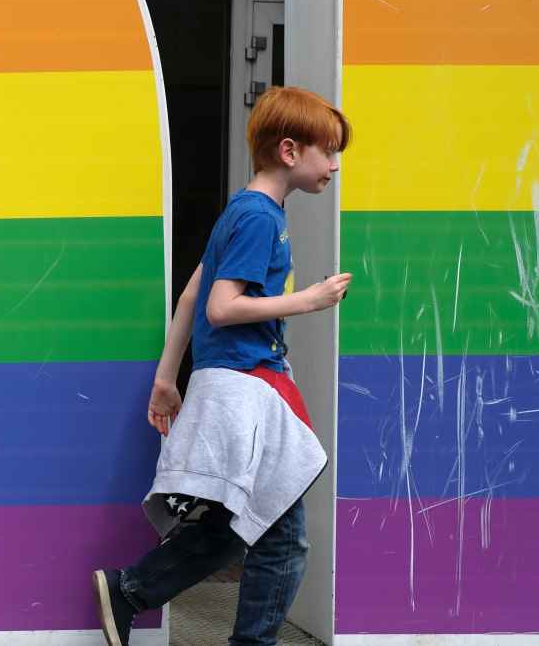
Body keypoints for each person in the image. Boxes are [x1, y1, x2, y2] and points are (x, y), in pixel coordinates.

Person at [92, 86, 353, 646]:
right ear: (289, 151)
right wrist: (310, 299)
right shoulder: (261, 218)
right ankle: (138, 592)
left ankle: (131, 590)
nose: (332, 164)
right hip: (246, 385)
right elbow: (220, 306)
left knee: (246, 526)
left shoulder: (243, 210)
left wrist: (167, 379)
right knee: (279, 537)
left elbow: (192, 296)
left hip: (233, 384)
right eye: (326, 150)